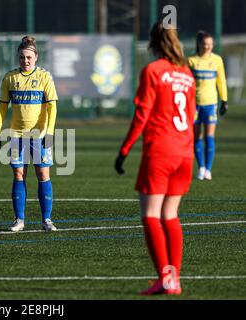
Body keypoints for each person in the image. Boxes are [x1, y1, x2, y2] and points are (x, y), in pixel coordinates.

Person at [114, 22, 196, 295]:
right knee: (170, 215)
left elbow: (142, 115)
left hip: (160, 151)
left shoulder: (153, 71)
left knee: (150, 215)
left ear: (152, 43)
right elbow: (192, 117)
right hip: (184, 153)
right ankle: (175, 280)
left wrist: (124, 149)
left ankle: (164, 277)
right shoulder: (186, 74)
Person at [0, 35, 58, 232]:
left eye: (29, 57)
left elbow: (52, 107)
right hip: (16, 135)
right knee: (19, 174)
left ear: (36, 57)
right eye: (22, 57)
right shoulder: (10, 78)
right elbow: (2, 108)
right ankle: (19, 220)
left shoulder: (44, 77)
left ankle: (46, 220)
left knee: (42, 173)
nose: (25, 61)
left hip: (39, 135)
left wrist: (49, 132)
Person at [188, 31, 228, 180]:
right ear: (199, 45)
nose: (208, 47)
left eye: (210, 45)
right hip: (194, 105)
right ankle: (201, 167)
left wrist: (224, 100)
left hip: (211, 104)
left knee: (210, 137)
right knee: (197, 137)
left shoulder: (217, 60)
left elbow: (221, 81)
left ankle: (208, 170)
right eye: (205, 45)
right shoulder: (191, 61)